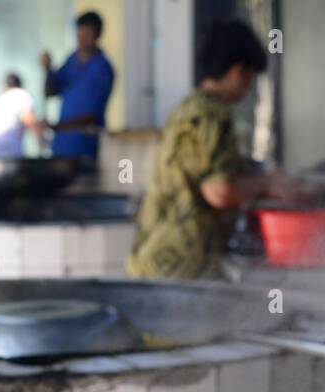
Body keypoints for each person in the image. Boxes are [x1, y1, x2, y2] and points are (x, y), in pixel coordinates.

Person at [127, 18, 314, 280]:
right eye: (249, 77)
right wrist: (268, 183)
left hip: (154, 254)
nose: (248, 87)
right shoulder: (214, 115)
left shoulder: (187, 108)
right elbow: (219, 191)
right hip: (182, 264)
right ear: (238, 71)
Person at [39, 11, 114, 167]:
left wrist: (57, 127)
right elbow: (51, 91)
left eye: (86, 35)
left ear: (97, 35)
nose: (81, 40)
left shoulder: (103, 68)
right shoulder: (72, 60)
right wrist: (47, 69)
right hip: (61, 148)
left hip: (85, 150)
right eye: (79, 35)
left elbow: (91, 116)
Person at [0, 73, 41, 158]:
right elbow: (29, 120)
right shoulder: (21, 94)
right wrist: (42, 140)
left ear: (5, 87)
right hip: (9, 148)